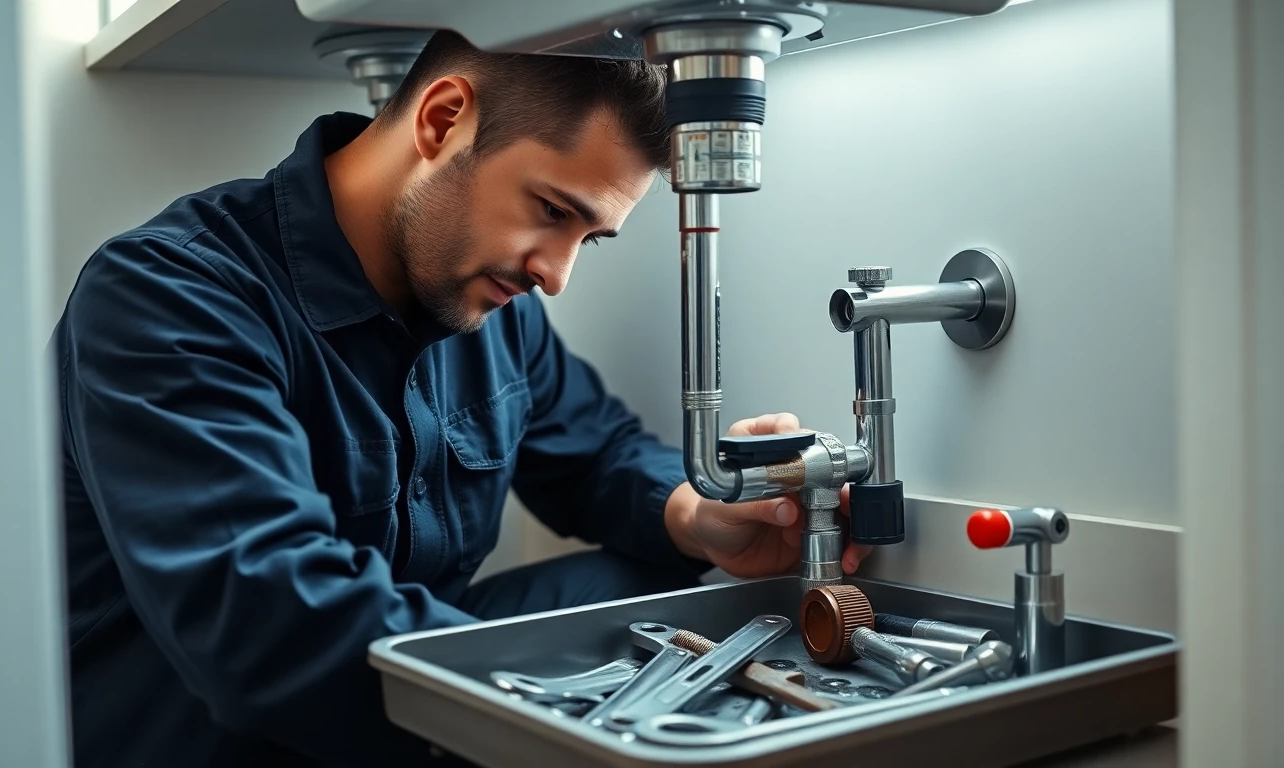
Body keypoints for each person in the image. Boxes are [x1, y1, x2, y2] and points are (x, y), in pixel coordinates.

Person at [54, 30, 871, 767]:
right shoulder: (170, 298)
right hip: (222, 738)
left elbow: (594, 452)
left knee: (651, 575)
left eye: (589, 236)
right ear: (444, 121)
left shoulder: (485, 302)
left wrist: (701, 517)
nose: (556, 272)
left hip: (408, 690)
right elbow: (269, 623)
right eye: (553, 212)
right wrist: (565, 722)